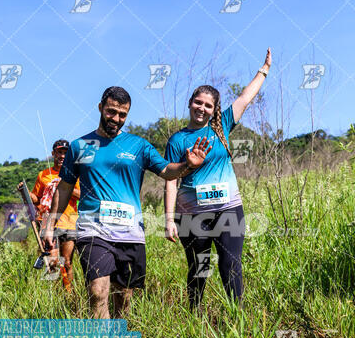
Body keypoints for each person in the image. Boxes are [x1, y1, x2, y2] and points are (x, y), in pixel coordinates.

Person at [42, 86, 211, 319]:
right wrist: (50, 224)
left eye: (122, 115)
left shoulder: (139, 146)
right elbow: (64, 187)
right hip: (93, 230)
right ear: (101, 108)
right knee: (98, 290)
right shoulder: (79, 146)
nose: (116, 119)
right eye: (111, 112)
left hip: (129, 232)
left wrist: (187, 165)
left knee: (124, 296)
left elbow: (167, 172)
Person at [164, 48, 272, 309]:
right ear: (190, 103)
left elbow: (246, 97)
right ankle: (195, 321)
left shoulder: (221, 125)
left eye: (208, 105)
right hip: (192, 215)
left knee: (230, 264)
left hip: (228, 210)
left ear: (214, 110)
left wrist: (264, 70)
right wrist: (169, 220)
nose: (202, 108)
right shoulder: (178, 140)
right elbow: (170, 180)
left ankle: (239, 319)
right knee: (200, 269)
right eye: (198, 102)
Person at [18, 140, 80, 290]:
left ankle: (68, 295)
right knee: (52, 262)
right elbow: (37, 199)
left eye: (66, 153)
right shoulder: (43, 175)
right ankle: (56, 296)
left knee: (67, 262)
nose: (62, 156)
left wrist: (64, 186)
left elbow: (82, 195)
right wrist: (25, 192)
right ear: (53, 154)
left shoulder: (74, 174)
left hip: (68, 222)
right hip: (47, 221)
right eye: (59, 152)